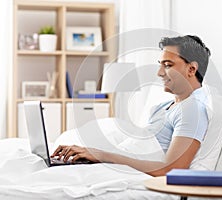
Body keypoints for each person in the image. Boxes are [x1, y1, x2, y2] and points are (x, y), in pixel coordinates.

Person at [51, 35, 211, 176]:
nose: (159, 73)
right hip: (116, 166)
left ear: (191, 69)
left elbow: (171, 169)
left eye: (168, 65)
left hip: (125, 173)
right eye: (160, 65)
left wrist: (102, 155)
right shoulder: (163, 107)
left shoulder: (192, 110)